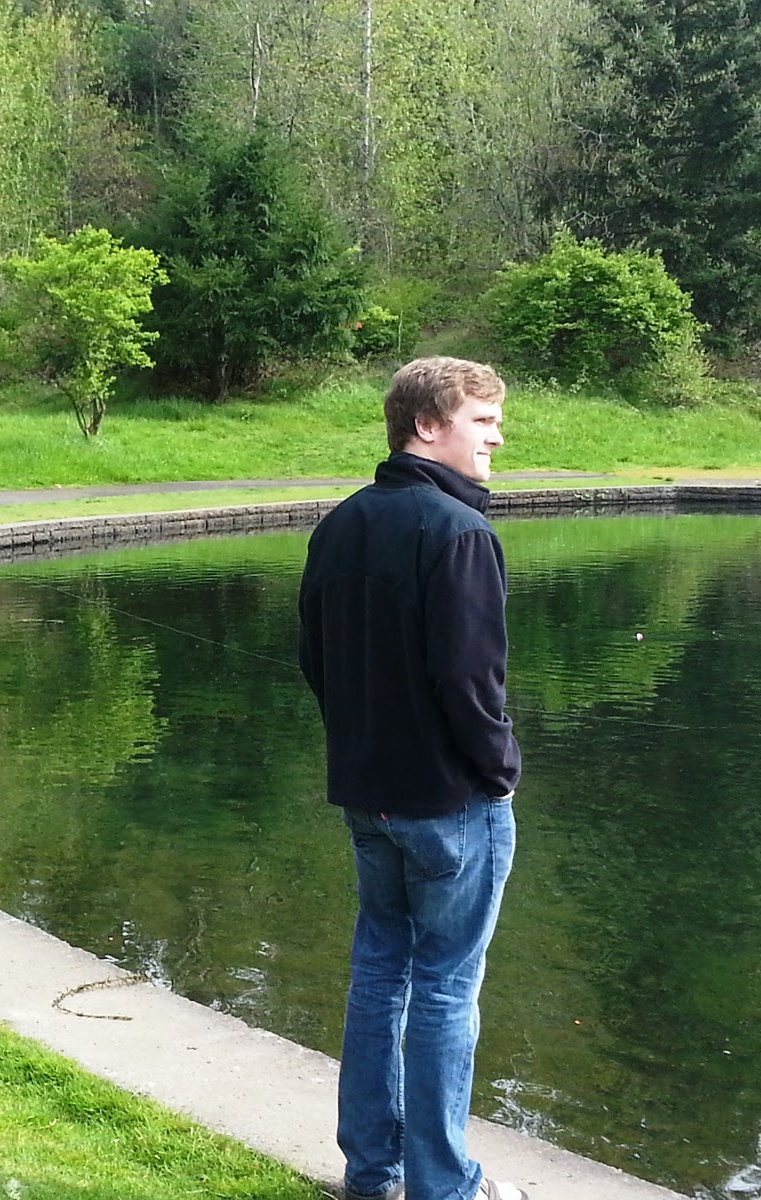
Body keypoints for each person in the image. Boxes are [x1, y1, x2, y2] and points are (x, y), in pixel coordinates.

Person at [297, 357, 526, 1200]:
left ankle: (371, 1171)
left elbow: (313, 660)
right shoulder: (458, 532)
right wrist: (500, 774)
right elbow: (472, 683)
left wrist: (362, 747)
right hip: (448, 803)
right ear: (426, 426)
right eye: (483, 420)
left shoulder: (342, 524)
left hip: (368, 795)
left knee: (380, 972)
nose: (497, 436)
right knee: (443, 987)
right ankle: (443, 1185)